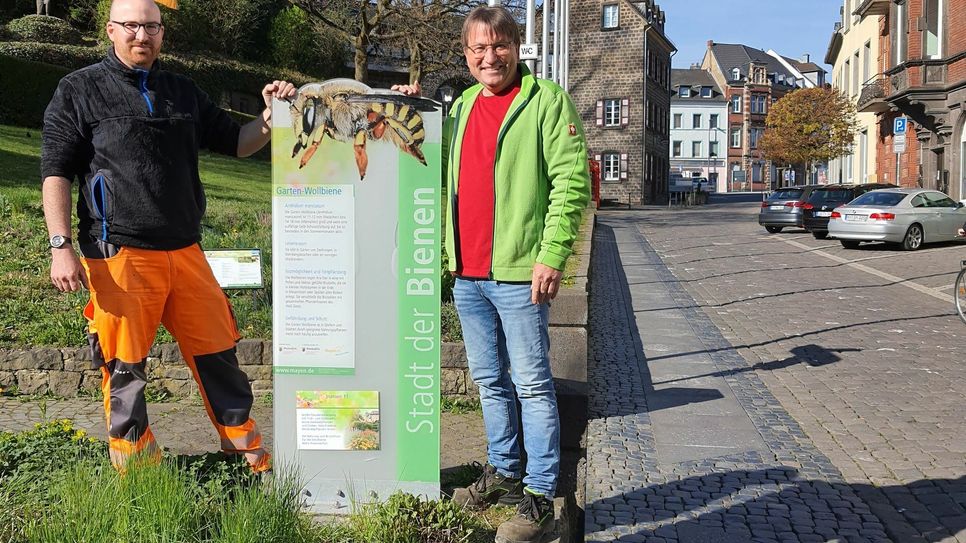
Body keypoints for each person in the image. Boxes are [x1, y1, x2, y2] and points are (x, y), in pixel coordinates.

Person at [41, 0, 295, 473]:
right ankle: (138, 472)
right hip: (119, 252)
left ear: (162, 33)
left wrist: (270, 116)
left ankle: (247, 456)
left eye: (152, 27)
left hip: (185, 249)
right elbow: (55, 171)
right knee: (124, 366)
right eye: (133, 26)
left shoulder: (182, 90)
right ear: (111, 30)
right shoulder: (79, 89)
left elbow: (239, 143)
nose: (143, 35)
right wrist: (61, 247)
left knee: (219, 353)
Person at [397, 6, 589, 542]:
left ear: (516, 46)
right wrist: (408, 111)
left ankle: (541, 495)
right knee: (489, 383)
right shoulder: (458, 108)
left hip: (519, 273)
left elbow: (572, 183)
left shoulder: (546, 102)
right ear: (466, 54)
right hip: (468, 273)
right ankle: (504, 473)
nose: (489, 57)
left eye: (499, 45)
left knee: (531, 384)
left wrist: (551, 255)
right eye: (478, 49)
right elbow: (428, 166)